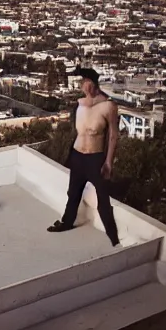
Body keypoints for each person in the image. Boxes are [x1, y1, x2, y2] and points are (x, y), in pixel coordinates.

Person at [47, 66, 120, 246]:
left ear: (93, 84)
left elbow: (113, 135)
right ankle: (66, 222)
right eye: (82, 82)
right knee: (73, 193)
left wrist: (108, 162)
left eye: (85, 82)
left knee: (103, 200)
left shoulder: (108, 106)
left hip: (95, 159)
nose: (82, 85)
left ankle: (114, 238)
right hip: (78, 156)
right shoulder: (79, 104)